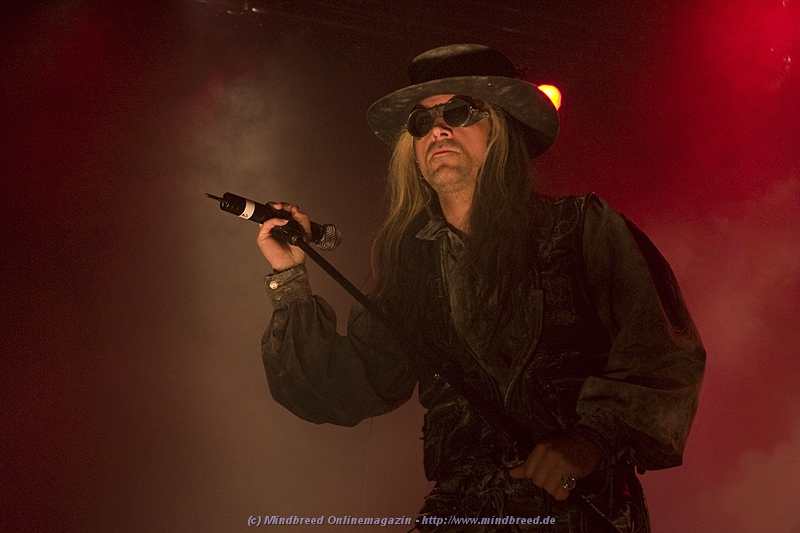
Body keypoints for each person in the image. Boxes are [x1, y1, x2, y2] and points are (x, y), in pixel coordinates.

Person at [256, 44, 705, 532]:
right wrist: (291, 280)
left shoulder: (583, 228)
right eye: (422, 122)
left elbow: (664, 355)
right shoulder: (409, 266)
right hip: (461, 511)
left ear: (502, 129)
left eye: (459, 112)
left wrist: (591, 441)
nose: (438, 130)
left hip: (578, 510)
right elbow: (353, 386)